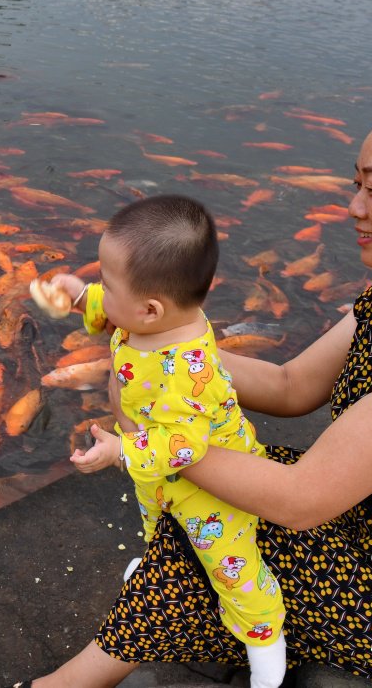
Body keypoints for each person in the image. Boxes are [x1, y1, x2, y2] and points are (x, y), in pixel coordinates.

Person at [26, 87, 372, 688]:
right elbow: (292, 386)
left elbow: (299, 500)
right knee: (211, 512)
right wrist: (164, 348)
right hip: (368, 529)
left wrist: (148, 439)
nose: (354, 206)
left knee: (205, 524)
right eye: (355, 185)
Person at [34, 195, 288, 688]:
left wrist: (120, 450)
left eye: (106, 285)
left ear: (150, 309)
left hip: (210, 488)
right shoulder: (159, 318)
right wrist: (82, 295)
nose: (102, 292)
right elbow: (116, 311)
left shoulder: (185, 368)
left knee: (231, 564)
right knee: (159, 524)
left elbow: (186, 446)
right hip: (158, 470)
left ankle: (264, 640)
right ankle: (162, 565)